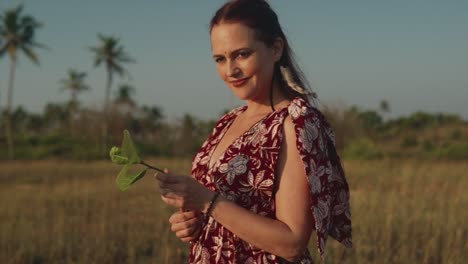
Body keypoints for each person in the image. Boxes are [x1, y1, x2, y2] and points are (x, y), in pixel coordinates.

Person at [155, 0, 352, 263]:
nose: (230, 70)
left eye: (242, 54)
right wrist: (194, 222)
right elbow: (225, 214)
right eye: (220, 59)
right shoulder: (228, 121)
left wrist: (207, 202)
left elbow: (292, 242)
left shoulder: (296, 122)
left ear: (275, 49)